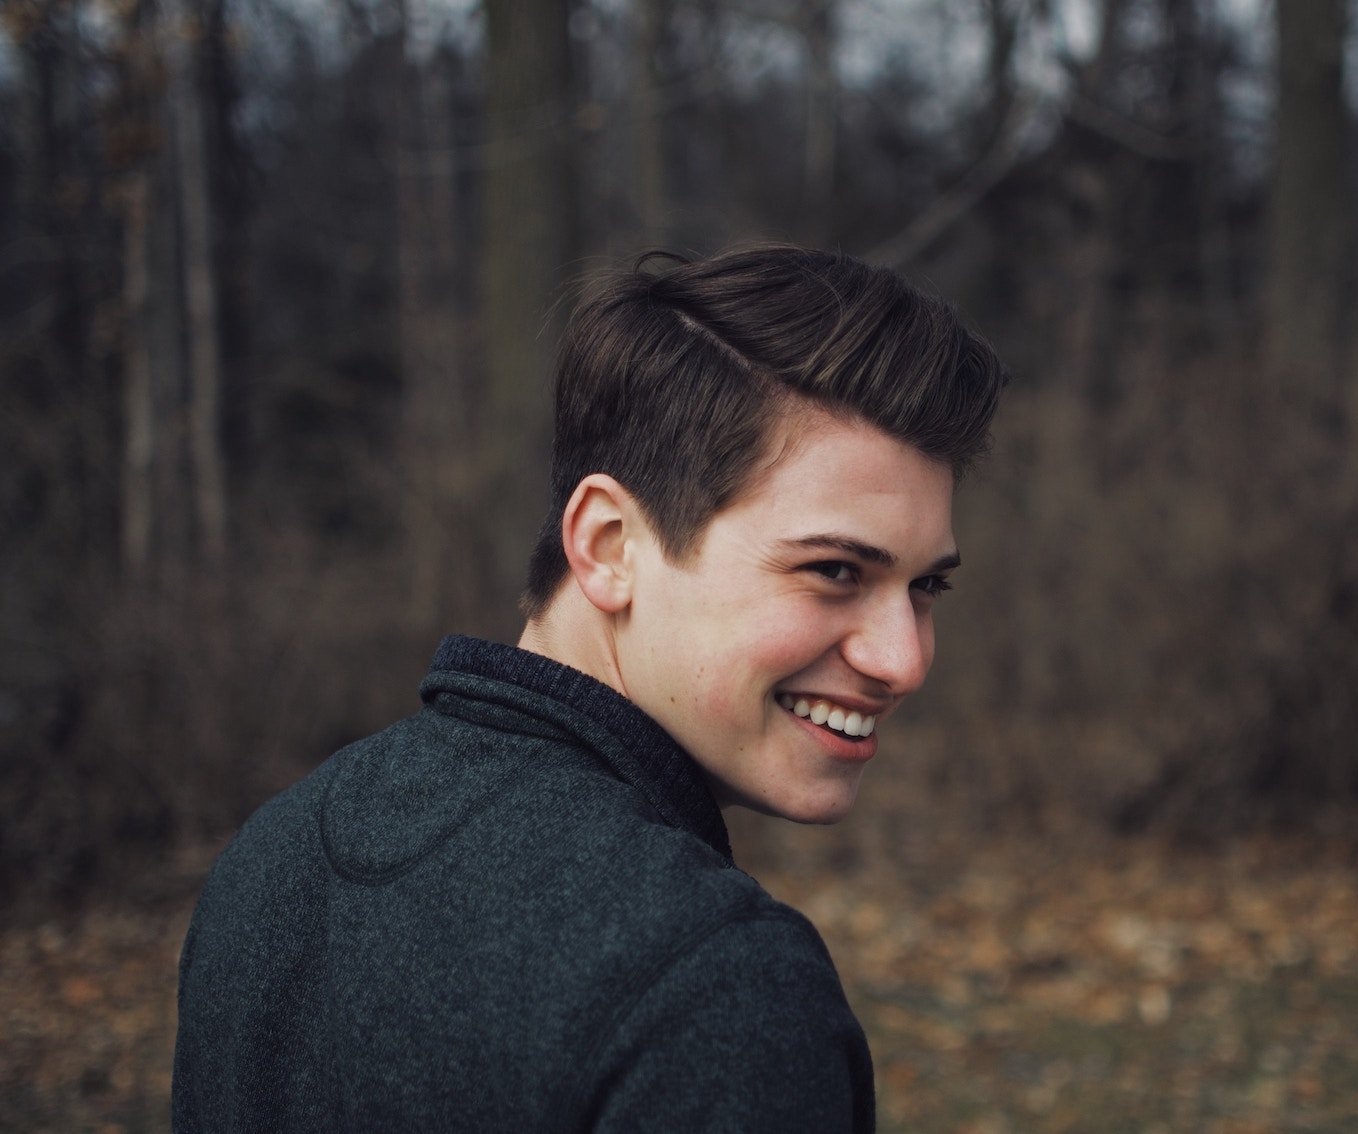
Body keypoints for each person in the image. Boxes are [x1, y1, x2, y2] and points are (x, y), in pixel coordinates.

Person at [172, 244, 1007, 1132]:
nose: (904, 660)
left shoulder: (276, 855)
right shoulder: (717, 989)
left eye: (926, 587)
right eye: (835, 570)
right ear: (609, 546)